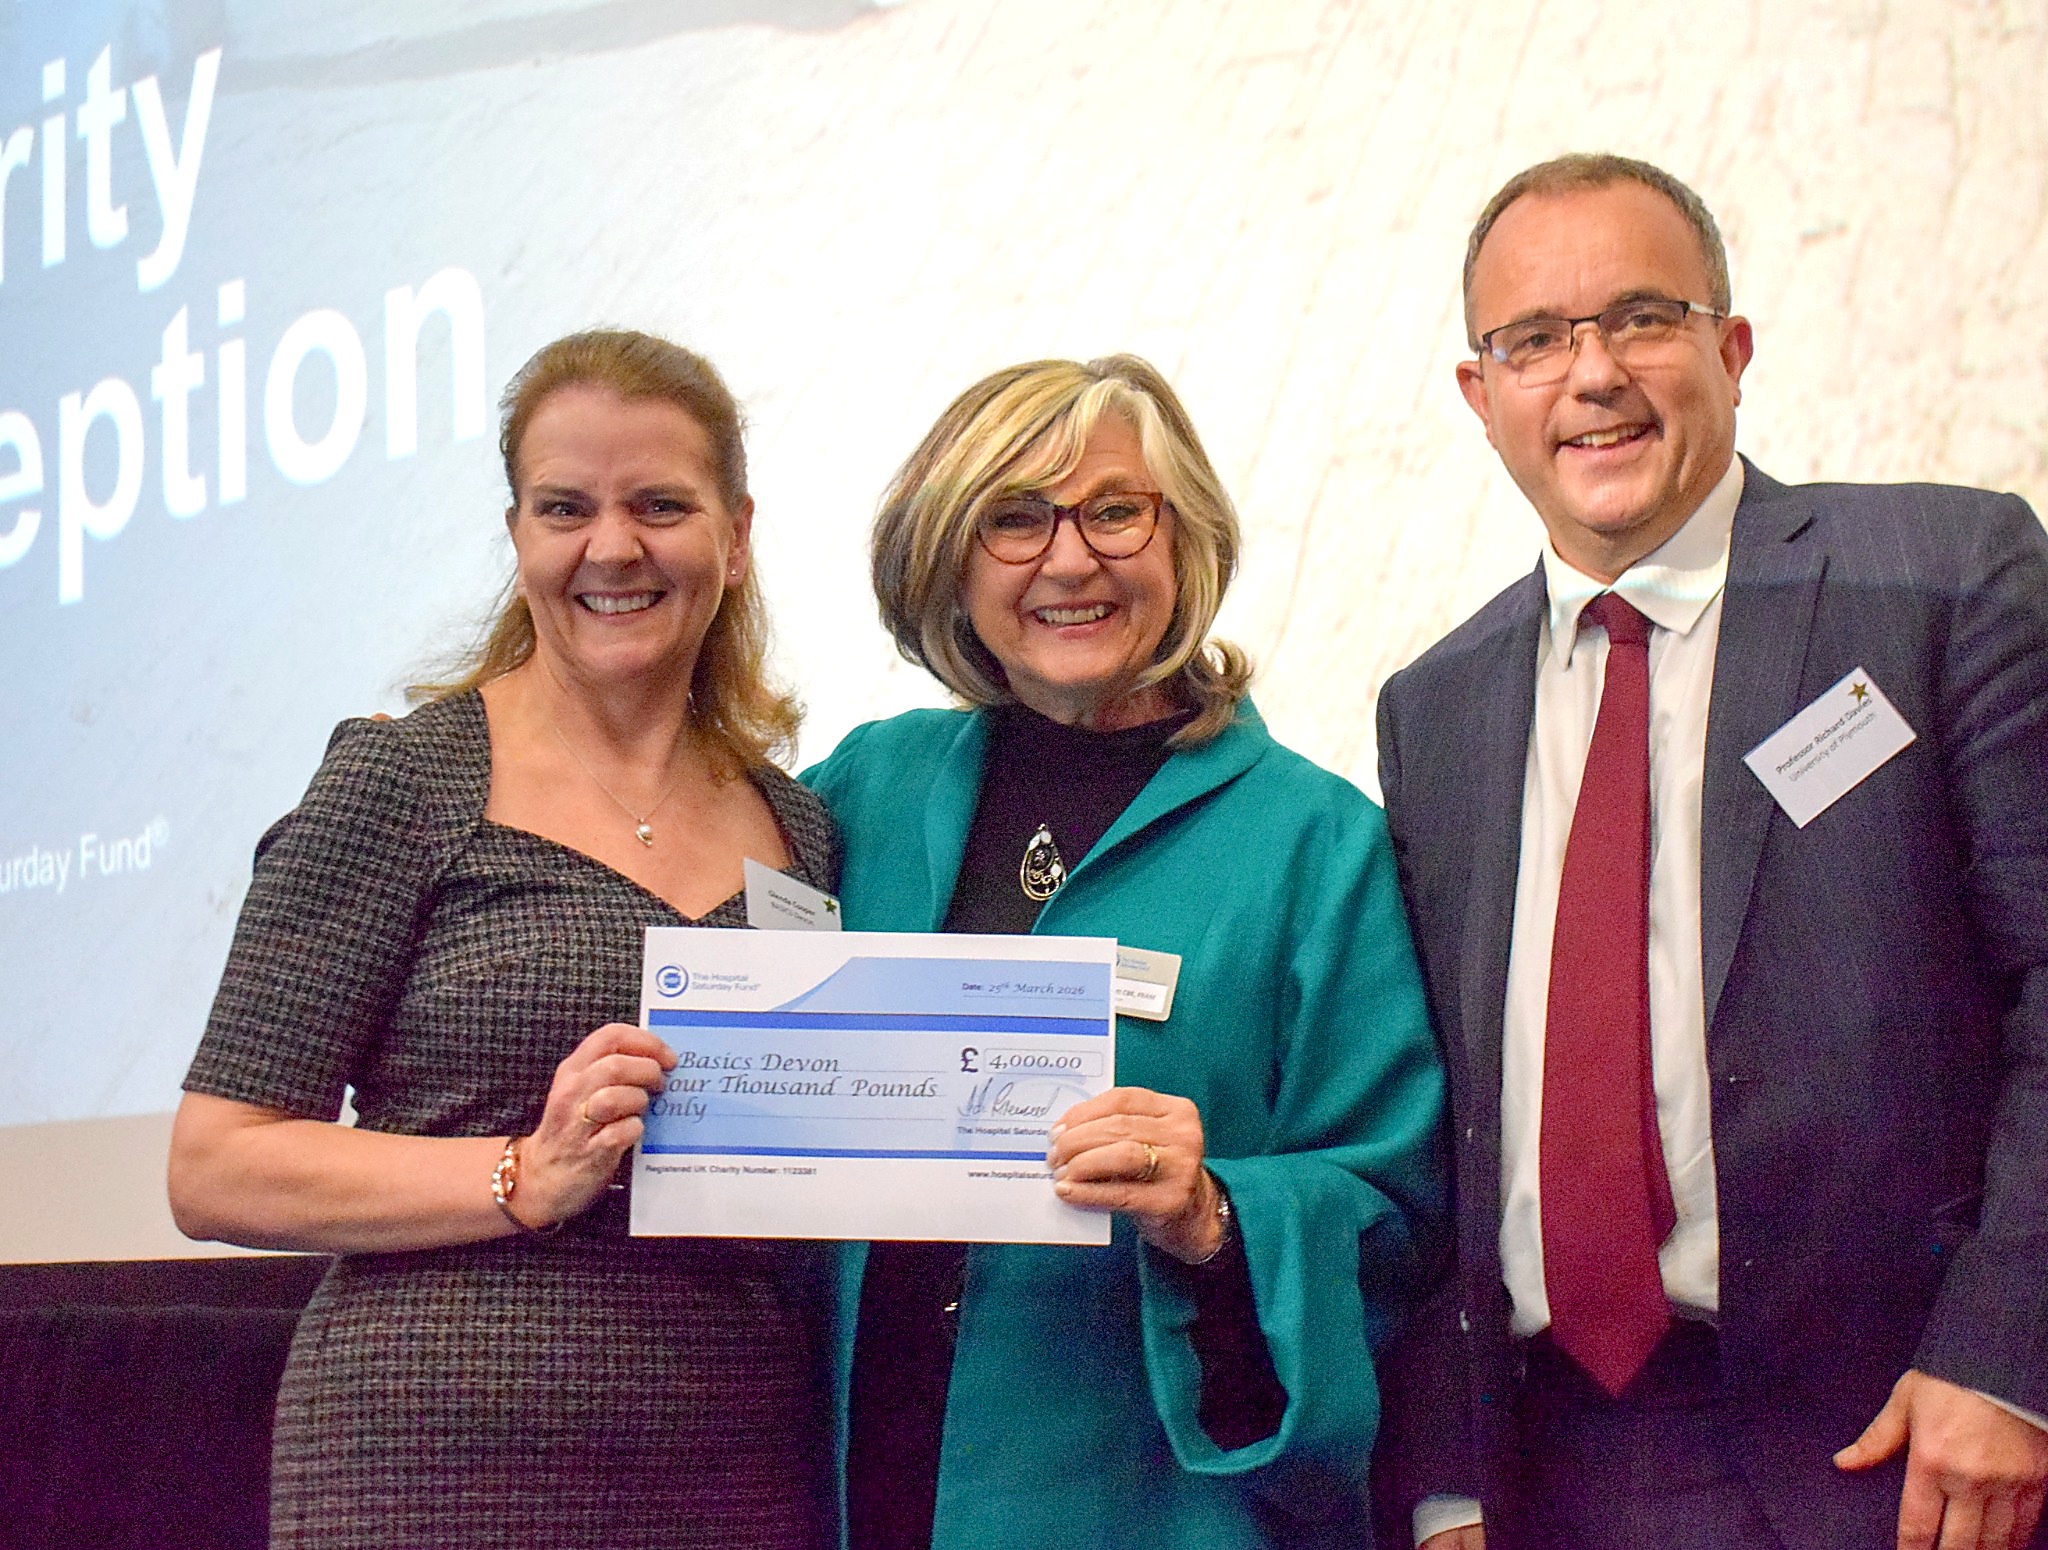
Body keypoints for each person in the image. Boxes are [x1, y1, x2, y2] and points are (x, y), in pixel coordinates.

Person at [1370, 153, 2048, 1550]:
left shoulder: (1942, 573)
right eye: (1535, 339)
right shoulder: (1430, 707)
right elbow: (1443, 1117)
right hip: (1549, 1468)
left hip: (1903, 1447)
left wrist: (2008, 1357)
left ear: (1730, 351)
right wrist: (1447, 1476)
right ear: (1480, 394)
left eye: (1641, 317)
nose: (1592, 372)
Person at [166, 329, 837, 1550]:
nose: (612, 547)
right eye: (565, 507)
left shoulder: (797, 830)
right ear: (519, 536)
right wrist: (524, 1172)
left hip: (729, 1456)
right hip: (432, 1465)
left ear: (735, 536)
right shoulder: (406, 779)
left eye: (659, 505)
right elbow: (216, 1166)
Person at [804, 354, 1446, 1549]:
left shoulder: (1314, 842)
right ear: (947, 557)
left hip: (1147, 1508)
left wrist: (1211, 1213)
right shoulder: (861, 790)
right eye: (1013, 518)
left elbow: (1399, 1213)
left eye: (1113, 511)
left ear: (1182, 539)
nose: (1068, 560)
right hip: (858, 1489)